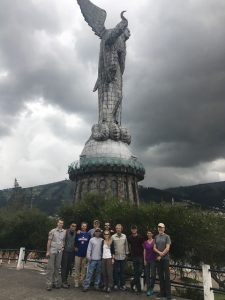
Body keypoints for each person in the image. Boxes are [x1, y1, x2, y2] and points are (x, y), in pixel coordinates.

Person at [46, 218, 66, 291]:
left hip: (59, 251)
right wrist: (47, 251)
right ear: (57, 223)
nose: (61, 224)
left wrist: (63, 247)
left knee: (57, 267)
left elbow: (63, 241)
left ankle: (56, 282)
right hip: (52, 251)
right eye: (59, 223)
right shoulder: (52, 231)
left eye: (62, 223)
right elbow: (49, 241)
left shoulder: (64, 232)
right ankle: (49, 284)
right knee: (50, 268)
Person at [154, 223, 172, 300]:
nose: (160, 229)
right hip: (158, 259)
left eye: (161, 227)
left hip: (165, 259)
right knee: (160, 276)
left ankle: (168, 294)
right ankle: (162, 292)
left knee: (167, 277)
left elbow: (167, 248)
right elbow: (154, 248)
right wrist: (159, 254)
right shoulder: (156, 237)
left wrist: (160, 255)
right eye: (159, 227)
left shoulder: (167, 237)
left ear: (164, 228)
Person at [112, 224, 129, 291]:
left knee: (122, 272)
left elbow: (126, 246)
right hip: (115, 257)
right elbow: (111, 247)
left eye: (119, 228)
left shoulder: (124, 236)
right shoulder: (113, 237)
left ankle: (122, 285)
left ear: (121, 229)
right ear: (116, 229)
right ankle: (116, 284)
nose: (118, 229)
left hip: (123, 257)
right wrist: (112, 256)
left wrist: (127, 254)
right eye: (117, 228)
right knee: (115, 272)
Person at [128, 225, 144, 294]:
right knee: (136, 273)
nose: (134, 230)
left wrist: (144, 256)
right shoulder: (130, 237)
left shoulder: (140, 237)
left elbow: (143, 247)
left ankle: (132, 282)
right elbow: (129, 246)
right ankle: (139, 290)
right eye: (132, 229)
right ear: (131, 230)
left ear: (136, 230)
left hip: (140, 257)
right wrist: (130, 254)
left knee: (140, 271)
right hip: (134, 257)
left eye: (135, 229)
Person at [74, 222, 91, 288]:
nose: (84, 227)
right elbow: (75, 242)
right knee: (77, 268)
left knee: (83, 269)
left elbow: (90, 244)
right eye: (83, 226)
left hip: (85, 254)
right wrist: (75, 247)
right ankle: (76, 281)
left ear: (86, 227)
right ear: (81, 227)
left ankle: (82, 281)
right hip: (78, 254)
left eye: (85, 226)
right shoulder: (78, 233)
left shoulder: (88, 234)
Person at [61, 222, 77, 288]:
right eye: (72, 226)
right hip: (65, 252)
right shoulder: (65, 232)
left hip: (72, 252)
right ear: (70, 226)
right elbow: (62, 240)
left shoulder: (76, 233)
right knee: (64, 267)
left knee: (68, 267)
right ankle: (63, 282)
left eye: (75, 226)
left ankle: (65, 281)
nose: (73, 227)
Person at [144, 229, 156, 296]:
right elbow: (144, 251)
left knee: (153, 275)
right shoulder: (145, 242)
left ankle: (152, 288)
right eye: (148, 233)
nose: (149, 234)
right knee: (147, 275)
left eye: (150, 233)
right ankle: (148, 289)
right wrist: (144, 260)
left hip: (153, 260)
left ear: (152, 234)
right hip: (147, 260)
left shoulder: (155, 241)